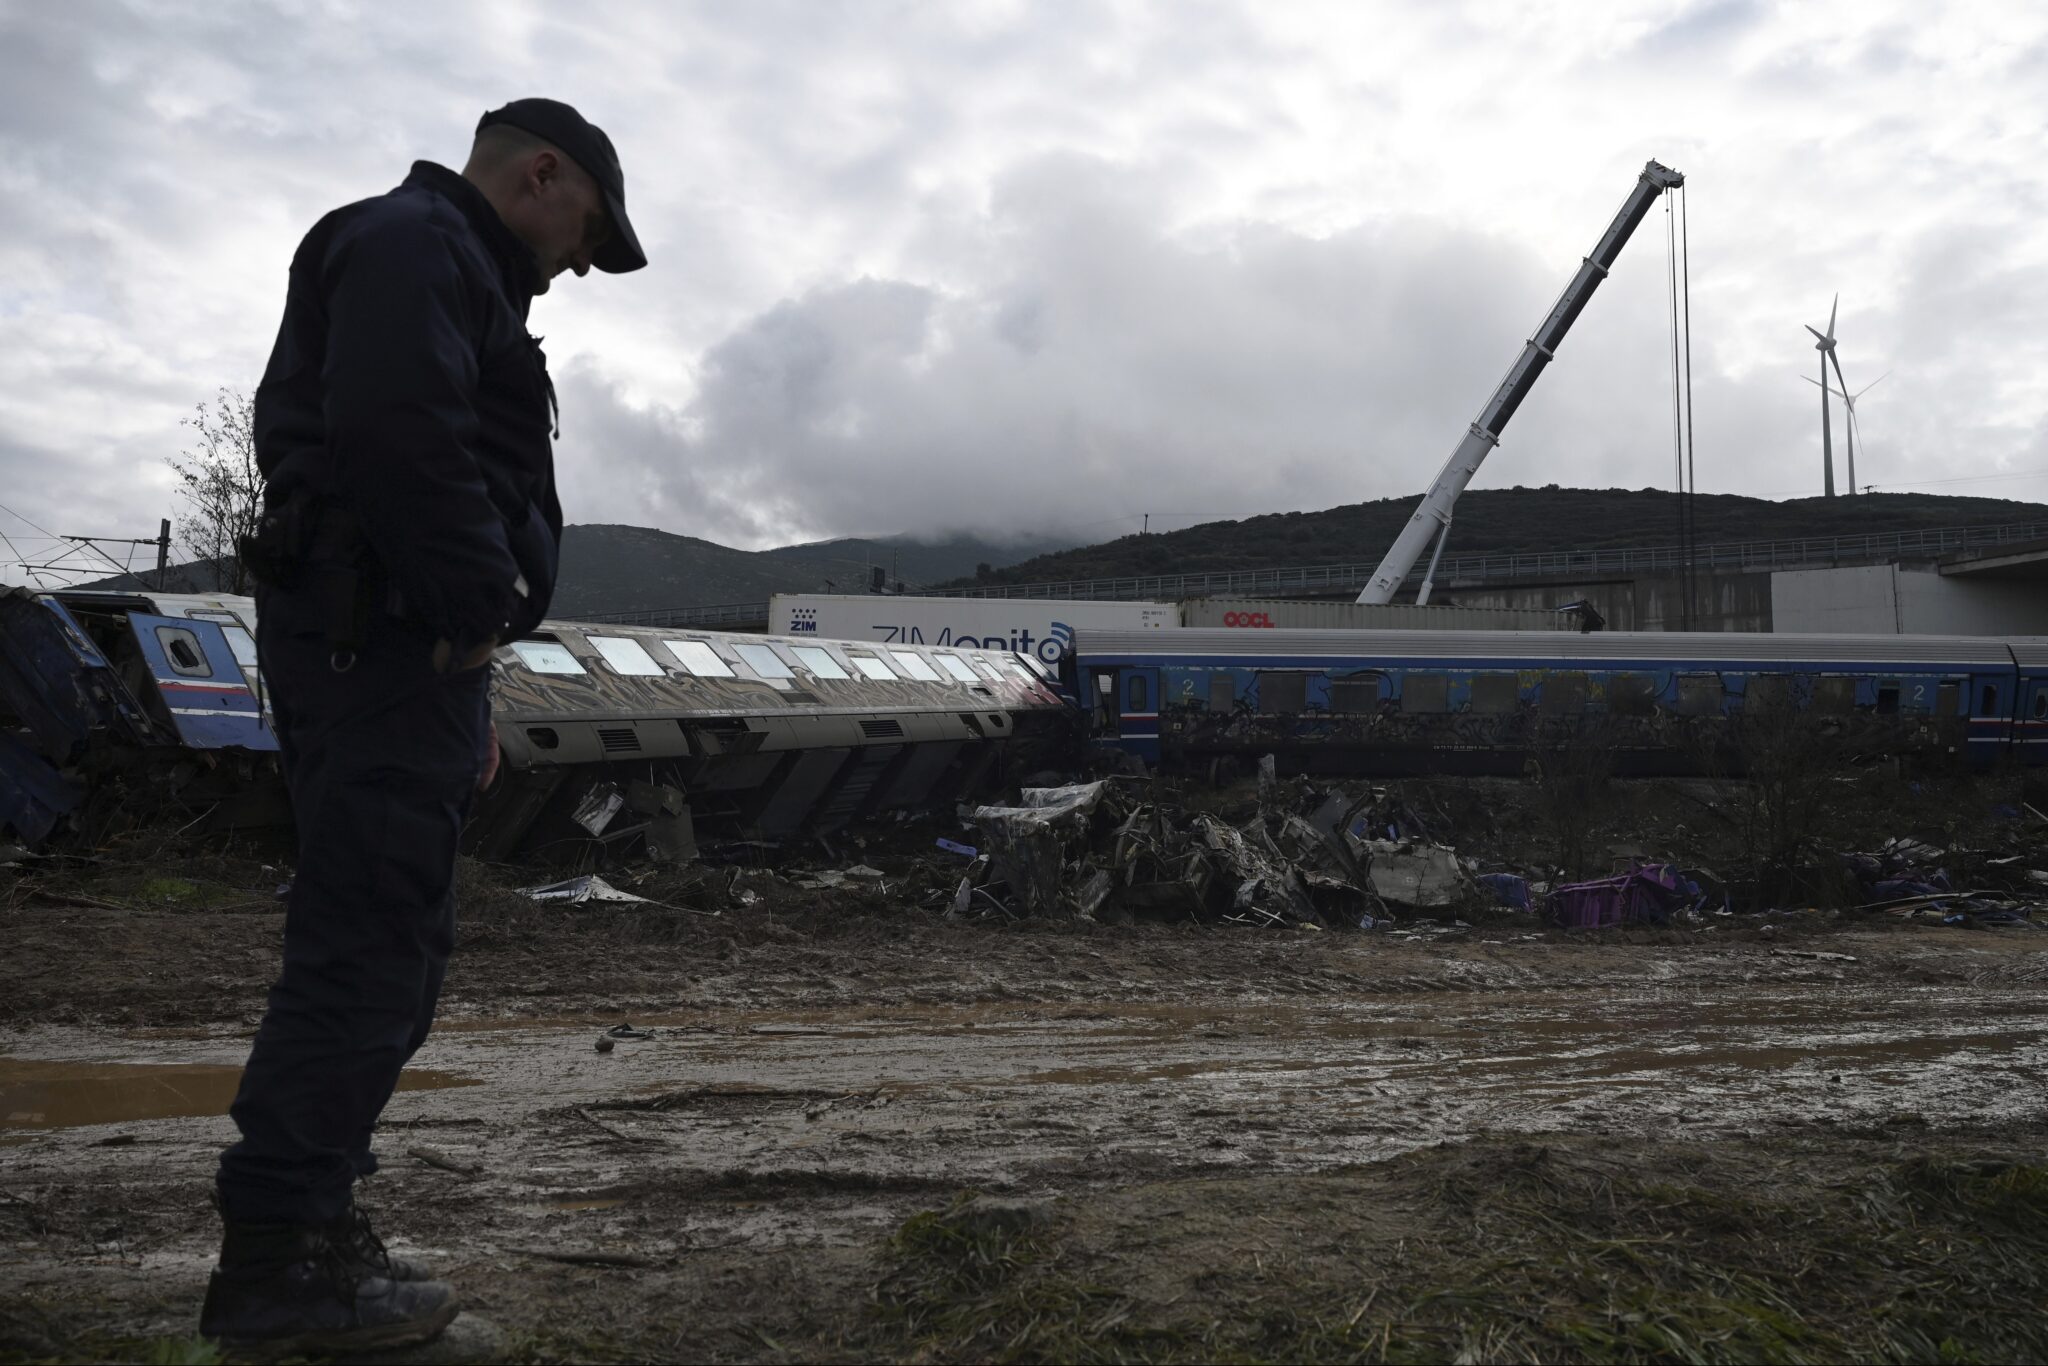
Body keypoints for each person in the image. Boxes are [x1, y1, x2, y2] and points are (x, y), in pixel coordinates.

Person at [202, 98, 646, 1355]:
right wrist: (476, 613)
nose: (574, 268)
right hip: (390, 647)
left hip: (400, 655)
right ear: (542, 174)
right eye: (586, 236)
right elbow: (402, 437)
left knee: (388, 945)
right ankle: (281, 1267)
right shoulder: (416, 243)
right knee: (367, 949)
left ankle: (306, 1233)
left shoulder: (438, 260)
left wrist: (471, 674)